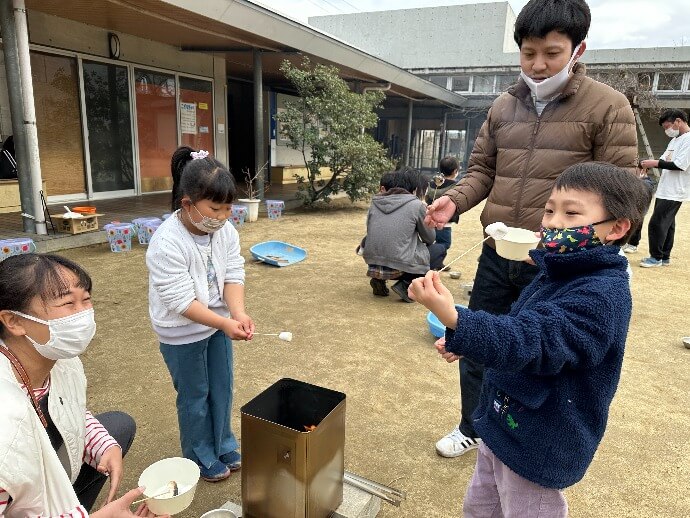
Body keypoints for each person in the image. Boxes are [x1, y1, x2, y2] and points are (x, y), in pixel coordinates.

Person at [424, 0, 638, 458]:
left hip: (560, 264)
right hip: (499, 252)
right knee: (478, 337)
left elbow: (623, 191)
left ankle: (520, 438)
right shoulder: (503, 106)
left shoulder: (608, 106)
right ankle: (474, 425)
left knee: (540, 353)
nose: (538, 65)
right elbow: (482, 168)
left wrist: (576, 241)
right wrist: (454, 200)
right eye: (528, 53)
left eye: (552, 53)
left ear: (578, 49)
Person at [410, 162, 651, 516]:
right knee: (479, 507)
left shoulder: (600, 296)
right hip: (500, 425)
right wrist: (465, 338)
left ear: (616, 228)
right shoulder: (558, 268)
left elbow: (530, 340)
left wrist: (454, 317)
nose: (553, 222)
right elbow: (519, 329)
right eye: (550, 209)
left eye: (571, 213)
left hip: (540, 440)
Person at [0, 253, 164, 517]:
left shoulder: (59, 359)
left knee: (117, 427)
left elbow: (66, 407)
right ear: (14, 321)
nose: (84, 314)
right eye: (67, 303)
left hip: (50, 484)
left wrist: (103, 446)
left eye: (86, 299)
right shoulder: (5, 427)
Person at [146, 147, 254, 483]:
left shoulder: (225, 231)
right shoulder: (166, 243)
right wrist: (225, 322)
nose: (222, 216)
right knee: (195, 395)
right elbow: (181, 302)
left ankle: (223, 443)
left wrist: (237, 313)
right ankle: (198, 454)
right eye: (214, 208)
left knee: (222, 387)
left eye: (227, 207)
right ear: (188, 204)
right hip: (181, 332)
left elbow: (234, 272)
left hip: (218, 324)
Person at [363, 166, 447, 302]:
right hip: (399, 266)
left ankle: (378, 279)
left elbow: (370, 230)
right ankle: (406, 284)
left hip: (373, 263)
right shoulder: (417, 205)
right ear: (414, 190)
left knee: (394, 245)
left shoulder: (375, 202)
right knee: (439, 250)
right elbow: (430, 238)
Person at [638, 109, 690, 267]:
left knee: (657, 222)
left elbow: (680, 165)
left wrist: (653, 163)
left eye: (668, 126)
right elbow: (663, 159)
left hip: (676, 190)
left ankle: (656, 257)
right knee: (668, 223)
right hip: (666, 188)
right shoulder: (675, 140)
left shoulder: (688, 140)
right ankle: (664, 256)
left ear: (678, 121)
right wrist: (649, 163)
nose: (667, 130)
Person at [425, 156, 461, 251]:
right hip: (444, 222)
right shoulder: (455, 186)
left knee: (431, 241)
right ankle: (434, 260)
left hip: (430, 218)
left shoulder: (432, 183)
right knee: (445, 243)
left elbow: (427, 197)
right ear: (455, 171)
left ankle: (437, 261)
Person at [621, 165, 656, 253]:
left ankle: (633, 244)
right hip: (629, 207)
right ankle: (625, 242)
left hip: (639, 209)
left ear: (644, 170)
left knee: (636, 226)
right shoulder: (631, 179)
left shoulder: (648, 182)